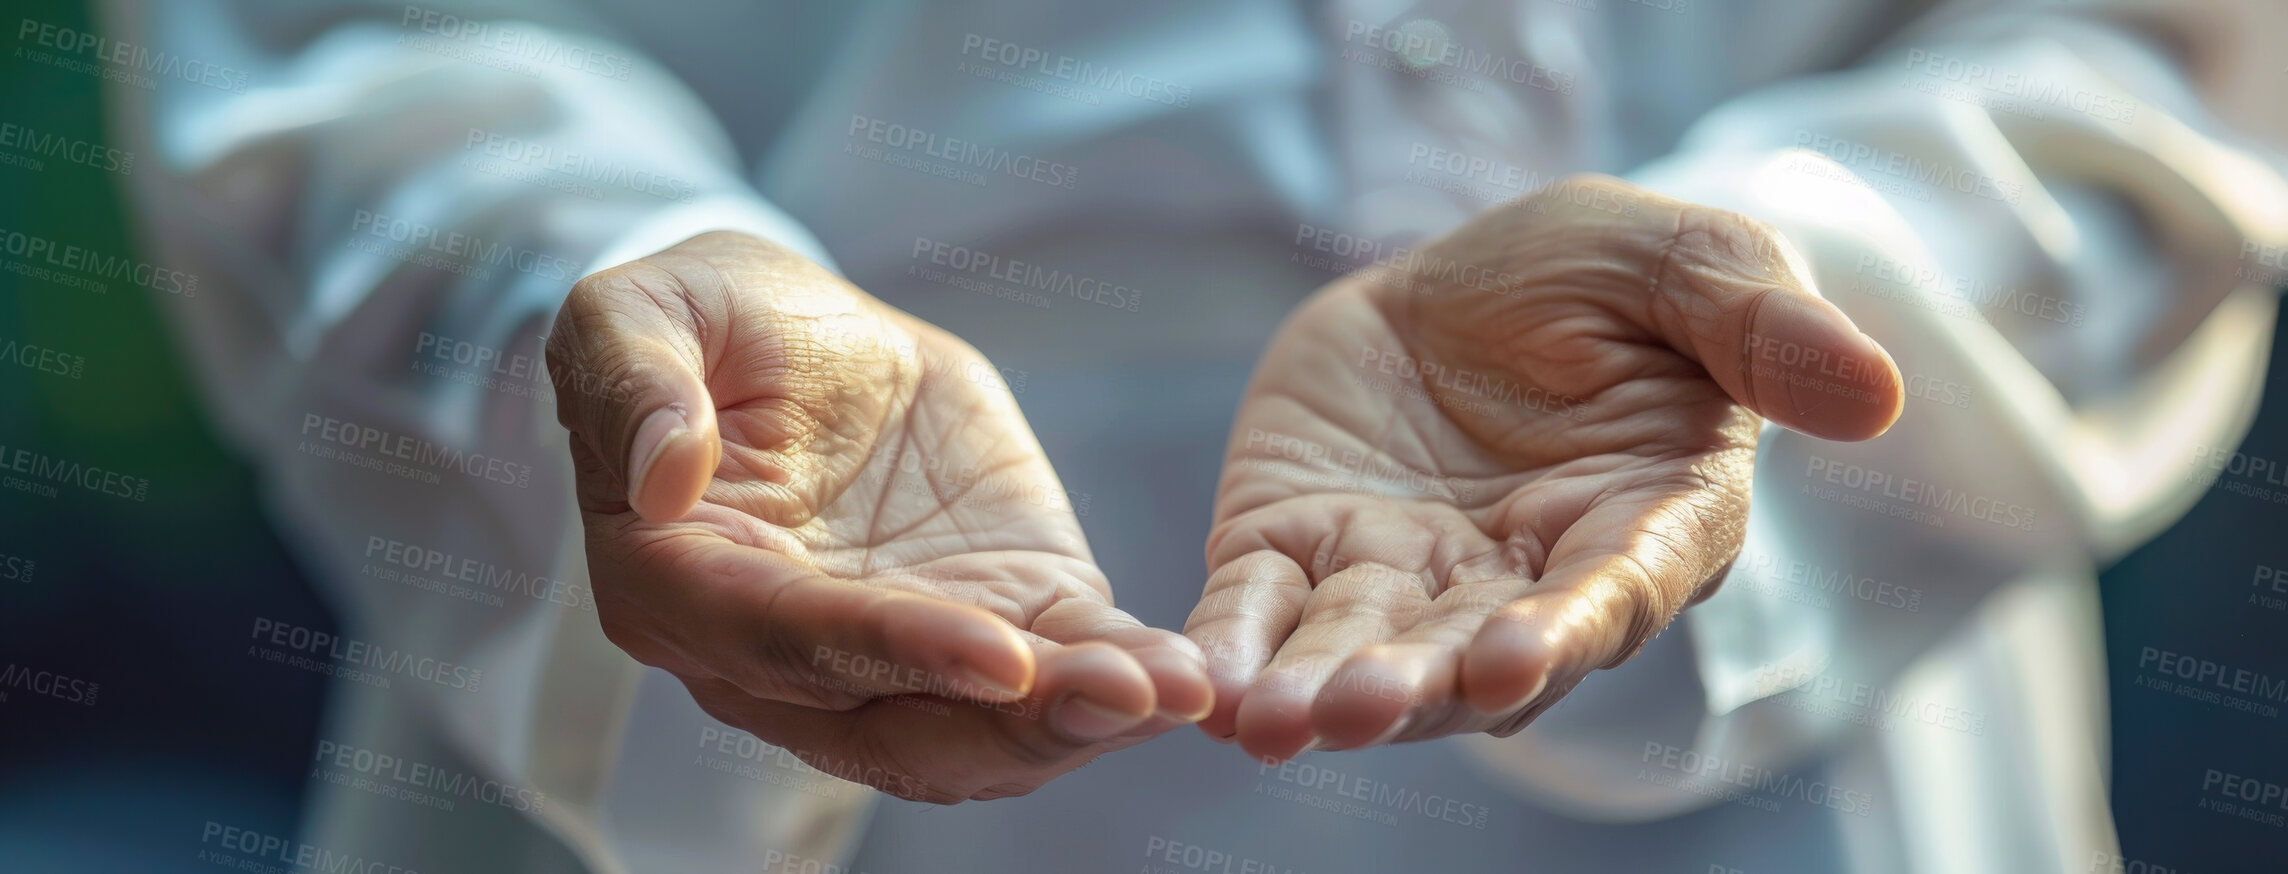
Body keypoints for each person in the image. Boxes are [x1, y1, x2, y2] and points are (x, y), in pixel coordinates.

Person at [103, 0, 2288, 871]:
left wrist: (1801, 276)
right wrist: (594, 285)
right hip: (727, 679)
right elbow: (318, 53)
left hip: (1809, 769)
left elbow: (2158, 62)